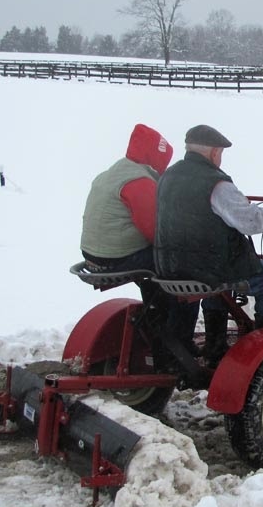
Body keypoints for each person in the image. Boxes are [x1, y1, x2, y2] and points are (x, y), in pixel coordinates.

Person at [154, 124, 263, 364]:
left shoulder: (168, 176)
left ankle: (215, 344)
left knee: (218, 275)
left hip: (171, 265)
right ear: (214, 153)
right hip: (205, 268)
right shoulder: (216, 183)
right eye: (220, 153)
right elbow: (251, 222)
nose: (220, 159)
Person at [80, 123, 199, 350]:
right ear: (155, 156)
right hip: (115, 256)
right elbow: (157, 233)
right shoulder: (139, 182)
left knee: (162, 274)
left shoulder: (115, 172)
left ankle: (158, 316)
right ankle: (180, 342)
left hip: (95, 252)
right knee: (189, 271)